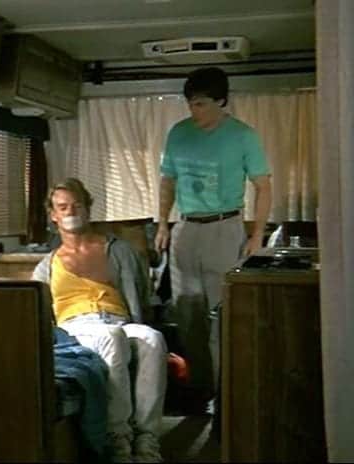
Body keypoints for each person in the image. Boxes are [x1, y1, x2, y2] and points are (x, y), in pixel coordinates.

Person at [154, 67, 272, 406]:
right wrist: (162, 224)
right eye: (191, 104)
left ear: (221, 101)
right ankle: (200, 390)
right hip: (186, 228)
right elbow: (167, 181)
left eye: (201, 104)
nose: (195, 111)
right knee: (188, 316)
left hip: (225, 226)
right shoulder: (178, 133)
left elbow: (263, 186)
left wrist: (257, 235)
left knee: (221, 315)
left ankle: (226, 395)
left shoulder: (243, 136)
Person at [33, 178, 167, 463]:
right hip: (76, 328)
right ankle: (118, 438)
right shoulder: (47, 265)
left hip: (119, 320)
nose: (71, 211)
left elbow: (142, 296)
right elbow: (38, 313)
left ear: (88, 208)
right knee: (111, 337)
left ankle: (147, 439)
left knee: (152, 338)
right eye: (63, 207)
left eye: (77, 205)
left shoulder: (118, 250)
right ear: (53, 215)